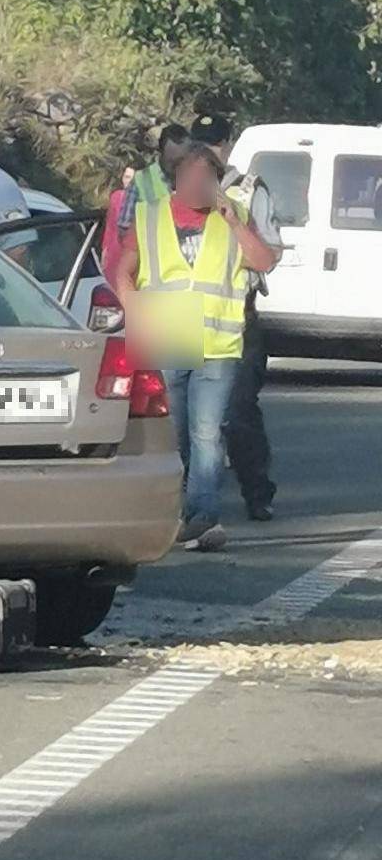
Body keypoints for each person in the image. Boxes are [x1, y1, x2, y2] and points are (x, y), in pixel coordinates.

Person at [110, 141, 279, 551]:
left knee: (207, 432)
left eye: (208, 179)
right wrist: (135, 308)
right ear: (177, 180)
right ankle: (177, 511)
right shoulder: (150, 217)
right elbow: (122, 271)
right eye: (192, 178)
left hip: (217, 341)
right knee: (172, 432)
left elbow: (264, 262)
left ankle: (203, 515)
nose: (199, 186)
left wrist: (235, 223)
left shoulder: (232, 216)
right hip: (166, 328)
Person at [193, 112, 282, 521]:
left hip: (236, 316)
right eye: (201, 142)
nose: (208, 151)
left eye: (214, 143)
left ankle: (257, 492)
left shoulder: (248, 190)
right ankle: (190, 503)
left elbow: (269, 254)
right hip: (185, 317)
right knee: (187, 418)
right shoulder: (172, 190)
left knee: (239, 410)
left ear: (227, 146)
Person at [103, 123, 190, 281]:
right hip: (153, 274)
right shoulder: (142, 181)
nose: (178, 167)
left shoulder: (197, 179)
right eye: (173, 161)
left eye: (182, 160)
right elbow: (124, 228)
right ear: (161, 155)